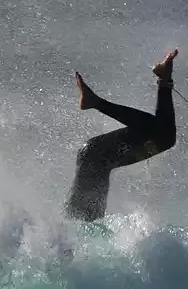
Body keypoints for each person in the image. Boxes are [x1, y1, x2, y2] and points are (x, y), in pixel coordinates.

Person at [64, 49, 179, 222]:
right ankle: (163, 80)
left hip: (95, 156)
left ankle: (96, 102)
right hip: (96, 158)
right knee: (165, 136)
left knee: (163, 135)